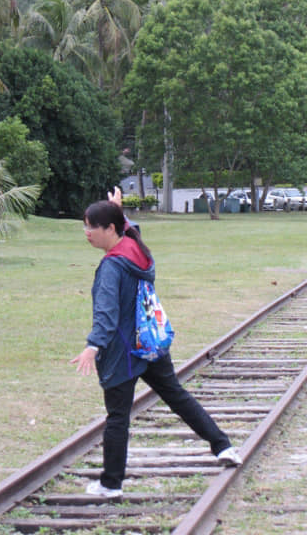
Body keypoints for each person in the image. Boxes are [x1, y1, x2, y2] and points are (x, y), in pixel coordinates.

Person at [71, 187, 242, 498]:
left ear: (109, 229)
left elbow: (107, 315)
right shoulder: (135, 250)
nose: (86, 233)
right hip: (149, 342)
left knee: (118, 416)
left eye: (90, 227)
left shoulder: (111, 266)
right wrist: (117, 210)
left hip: (124, 350)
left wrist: (93, 345)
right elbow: (131, 231)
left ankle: (111, 484)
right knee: (176, 395)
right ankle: (223, 447)